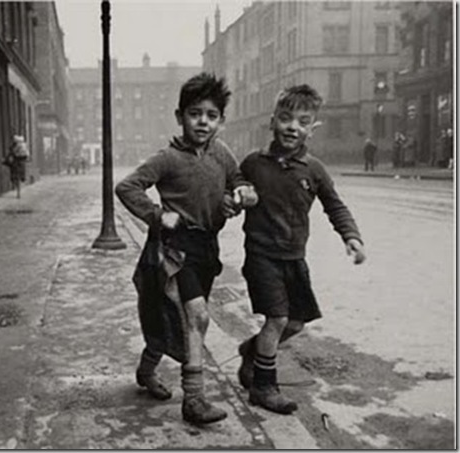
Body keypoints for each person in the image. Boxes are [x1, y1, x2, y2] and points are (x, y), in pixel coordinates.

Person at [115, 72, 257, 425]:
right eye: (195, 114)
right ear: (180, 117)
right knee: (197, 316)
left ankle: (146, 371)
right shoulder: (167, 158)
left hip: (206, 249)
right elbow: (127, 187)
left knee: (174, 323)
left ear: (221, 121)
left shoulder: (222, 153)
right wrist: (157, 215)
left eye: (211, 115)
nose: (203, 122)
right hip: (174, 249)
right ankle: (194, 399)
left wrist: (239, 196)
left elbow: (238, 181)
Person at [235, 84, 366, 415]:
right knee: (277, 319)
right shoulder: (253, 164)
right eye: (285, 118)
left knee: (295, 324)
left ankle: (251, 350)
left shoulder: (313, 169)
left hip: (294, 258)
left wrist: (351, 236)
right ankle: (264, 387)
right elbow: (231, 189)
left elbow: (335, 206)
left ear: (312, 128)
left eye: (303, 121)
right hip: (262, 256)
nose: (293, 127)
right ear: (272, 121)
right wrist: (238, 194)